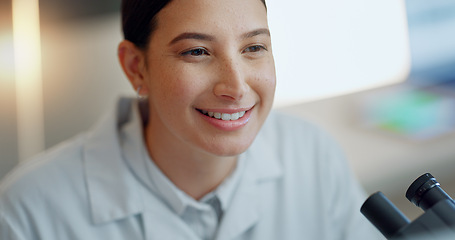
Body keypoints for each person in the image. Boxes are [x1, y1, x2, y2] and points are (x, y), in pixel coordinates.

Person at [0, 0, 383, 239]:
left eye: (253, 47)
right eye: (197, 51)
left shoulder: (312, 154)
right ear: (137, 68)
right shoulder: (28, 212)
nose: (235, 87)